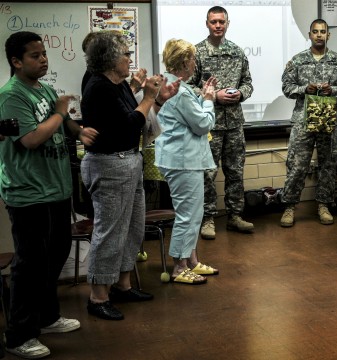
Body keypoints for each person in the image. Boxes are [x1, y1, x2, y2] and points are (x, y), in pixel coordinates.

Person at [0, 31, 97, 359]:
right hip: (28, 193)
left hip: (55, 188)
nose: (43, 59)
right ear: (16, 61)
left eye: (44, 54)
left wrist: (77, 128)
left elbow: (62, 123)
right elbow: (30, 139)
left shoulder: (44, 89)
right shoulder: (11, 96)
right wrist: (58, 113)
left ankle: (46, 317)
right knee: (29, 264)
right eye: (34, 55)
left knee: (54, 256)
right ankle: (18, 335)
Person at [81, 32, 176, 320]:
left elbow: (139, 118)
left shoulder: (119, 83)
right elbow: (128, 124)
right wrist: (149, 96)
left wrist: (156, 101)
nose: (129, 59)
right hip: (109, 165)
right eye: (125, 54)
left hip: (129, 161)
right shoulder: (98, 87)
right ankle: (98, 297)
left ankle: (123, 284)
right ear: (110, 59)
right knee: (110, 231)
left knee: (133, 227)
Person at [279, 19, 337, 227]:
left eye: (323, 32)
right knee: (296, 165)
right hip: (303, 121)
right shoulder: (298, 60)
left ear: (328, 35)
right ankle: (289, 206)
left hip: (329, 120)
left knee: (328, 164)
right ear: (309, 34)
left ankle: (324, 205)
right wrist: (305, 89)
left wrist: (334, 91)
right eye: (315, 31)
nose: (319, 35)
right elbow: (286, 88)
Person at [188, 6, 255, 239]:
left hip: (235, 123)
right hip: (209, 125)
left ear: (228, 23)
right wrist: (213, 96)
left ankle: (235, 216)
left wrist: (241, 94)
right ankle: (207, 218)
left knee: (235, 171)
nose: (218, 25)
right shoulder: (196, 53)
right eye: (213, 22)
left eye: (221, 22)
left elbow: (248, 82)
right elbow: (187, 86)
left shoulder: (237, 52)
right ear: (207, 23)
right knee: (207, 173)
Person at [156, 39, 218, 285]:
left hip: (184, 158)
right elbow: (202, 125)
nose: (195, 62)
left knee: (195, 213)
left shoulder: (171, 84)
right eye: (192, 58)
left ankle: (191, 260)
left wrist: (202, 98)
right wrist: (209, 99)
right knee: (187, 215)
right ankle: (179, 267)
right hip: (182, 160)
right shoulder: (179, 91)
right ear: (184, 61)